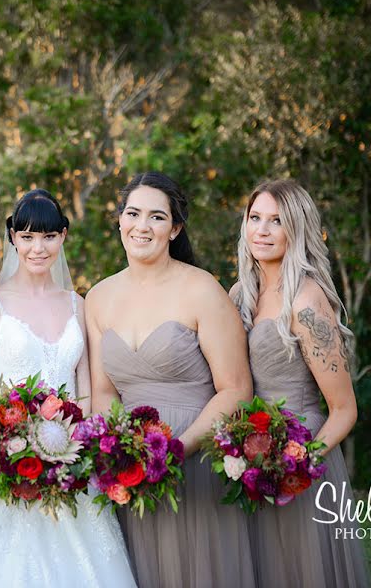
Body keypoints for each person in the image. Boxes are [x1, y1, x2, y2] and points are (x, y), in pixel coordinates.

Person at [0, 189, 136, 588]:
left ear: (63, 237)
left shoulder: (77, 304)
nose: (38, 248)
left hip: (71, 464)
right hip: (4, 460)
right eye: (28, 236)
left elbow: (85, 391)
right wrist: (8, 447)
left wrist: (78, 449)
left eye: (48, 237)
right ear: (13, 237)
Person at [86, 171, 255, 588]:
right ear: (120, 220)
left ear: (174, 228)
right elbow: (103, 392)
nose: (142, 226)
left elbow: (235, 388)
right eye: (133, 213)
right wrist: (122, 449)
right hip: (129, 465)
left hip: (194, 460)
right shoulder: (97, 297)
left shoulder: (201, 289)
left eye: (157, 217)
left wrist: (178, 449)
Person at [232, 178, 371, 587]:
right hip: (250, 460)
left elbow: (345, 410)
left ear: (297, 228)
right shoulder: (241, 293)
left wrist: (296, 464)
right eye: (255, 218)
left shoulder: (307, 301)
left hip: (303, 458)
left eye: (276, 221)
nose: (262, 229)